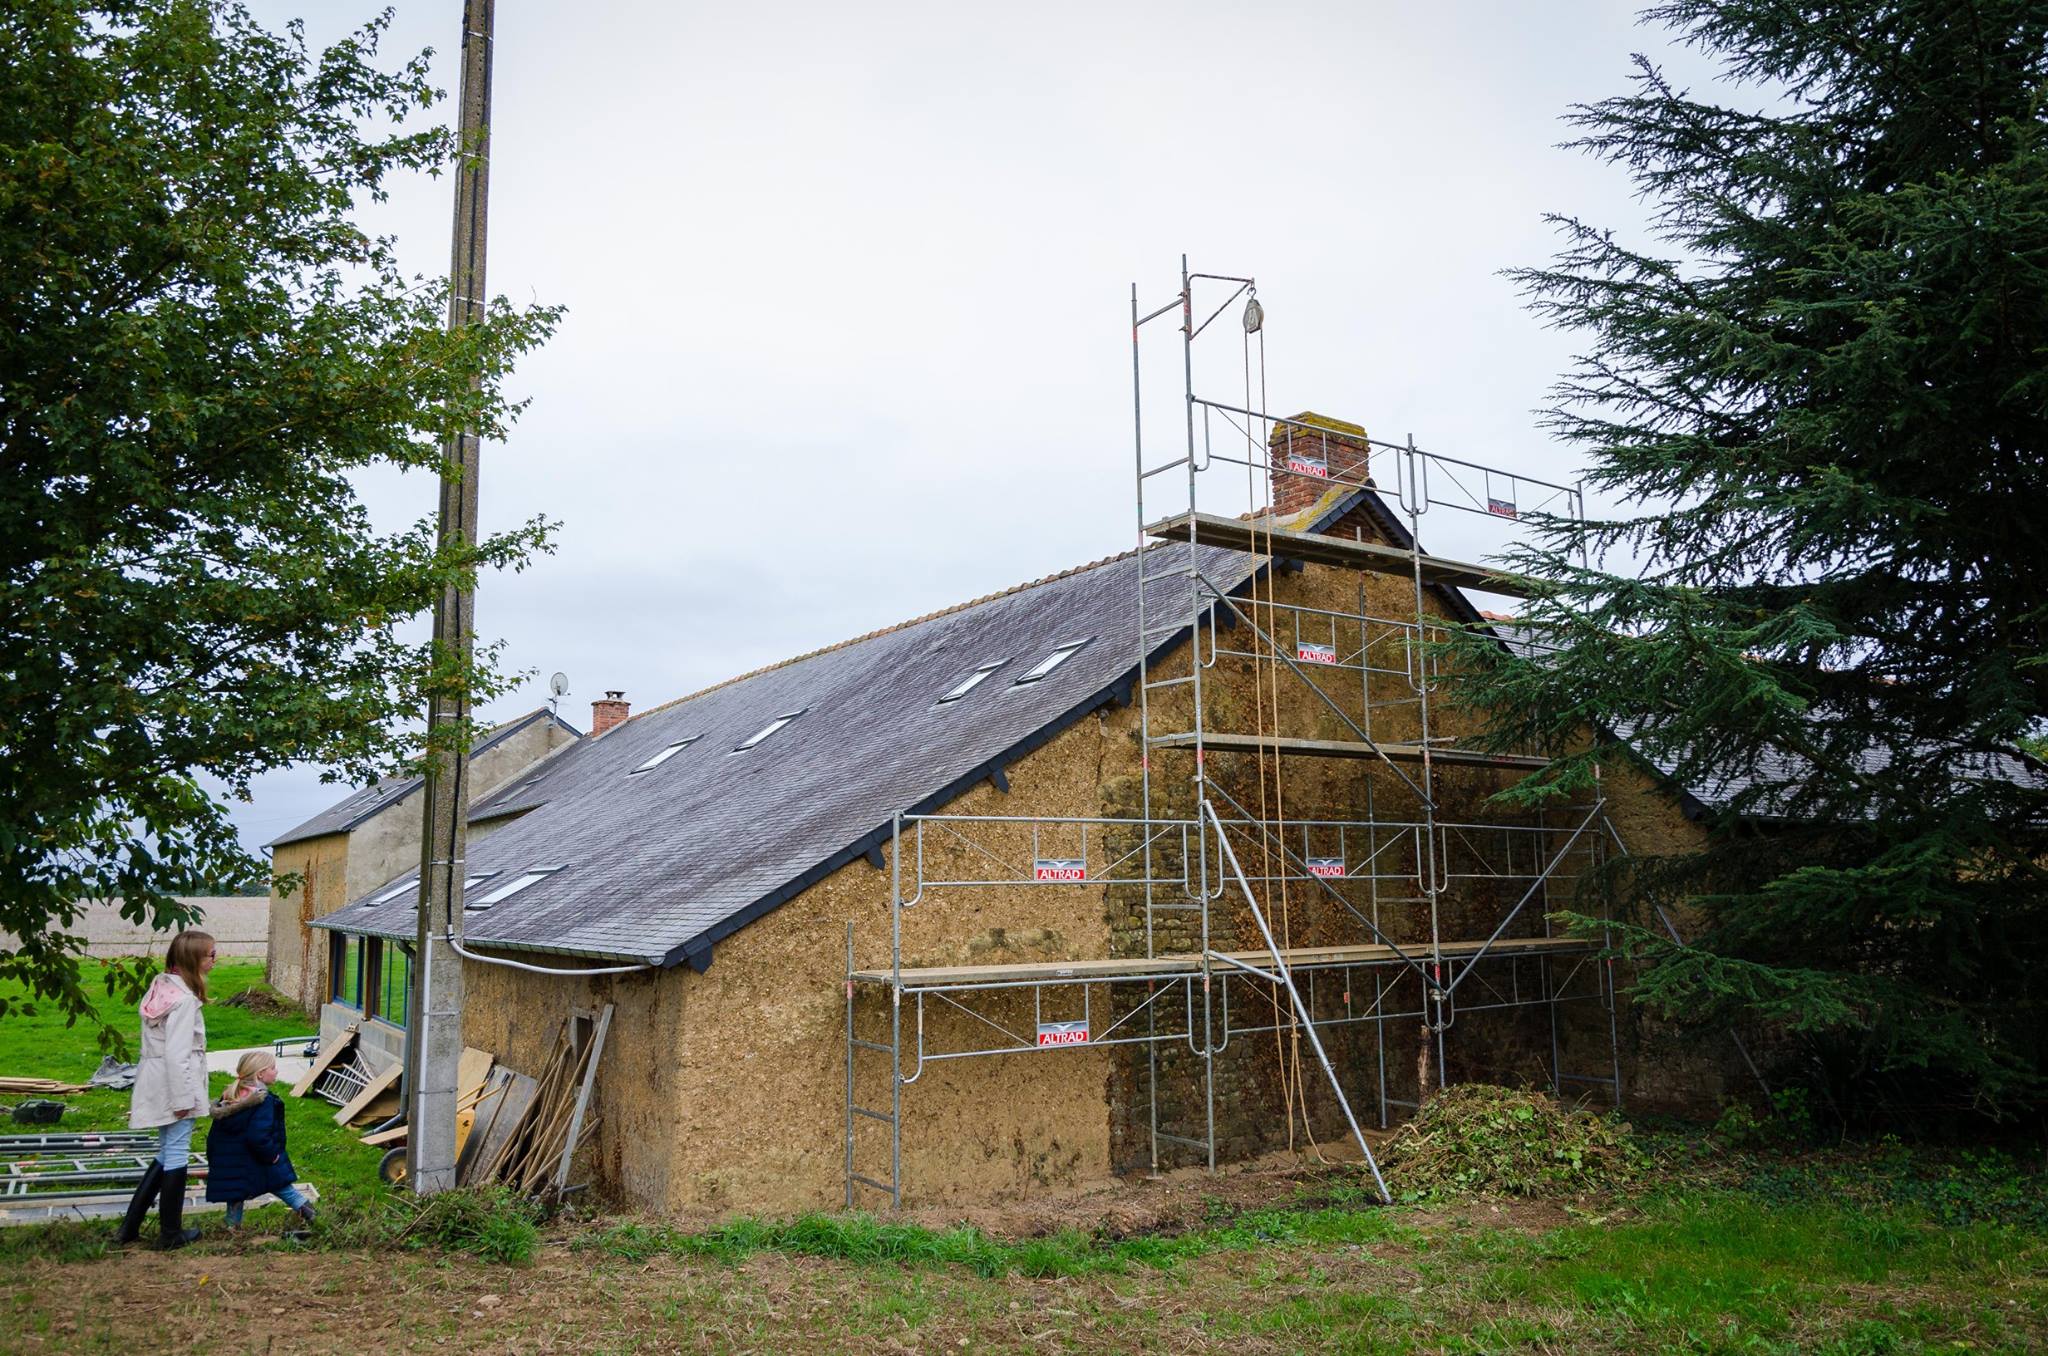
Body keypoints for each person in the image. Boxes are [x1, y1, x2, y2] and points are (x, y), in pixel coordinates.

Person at [115, 929, 214, 1248]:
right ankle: (170, 1234)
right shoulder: (184, 1001)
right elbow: (177, 1053)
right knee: (176, 1153)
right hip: (175, 1083)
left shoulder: (162, 987)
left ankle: (129, 1228)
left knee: (165, 1151)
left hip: (158, 1080)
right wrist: (184, 1098)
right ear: (192, 959)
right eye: (209, 954)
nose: (215, 959)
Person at [205, 1050, 315, 1232]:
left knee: (235, 1193)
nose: (276, 1071)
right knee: (282, 1187)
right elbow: (258, 1136)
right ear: (260, 1074)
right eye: (273, 1067)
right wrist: (272, 1156)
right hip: (257, 1158)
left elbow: (216, 1135)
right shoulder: (263, 1101)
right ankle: (317, 1221)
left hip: (232, 1161)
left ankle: (232, 1229)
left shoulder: (229, 1097)